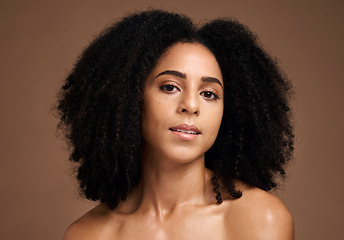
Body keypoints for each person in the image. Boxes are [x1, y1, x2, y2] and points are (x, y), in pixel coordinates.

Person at [57, 9, 295, 239]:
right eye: (170, 87)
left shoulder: (260, 219)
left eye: (209, 94)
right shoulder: (89, 235)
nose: (191, 106)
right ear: (129, 97)